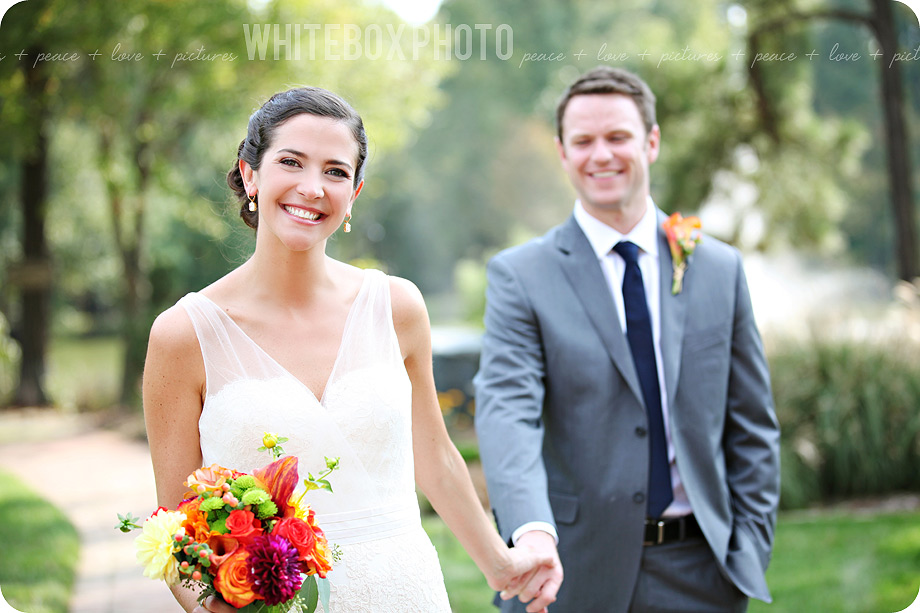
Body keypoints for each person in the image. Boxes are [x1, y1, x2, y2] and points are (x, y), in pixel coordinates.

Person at [143, 86, 552, 613]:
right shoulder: (184, 334)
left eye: (335, 171)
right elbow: (176, 524)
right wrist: (214, 605)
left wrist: (503, 566)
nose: (312, 188)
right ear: (250, 174)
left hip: (408, 591)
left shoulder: (396, 307)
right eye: (291, 162)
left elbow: (435, 458)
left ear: (354, 194)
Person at [474, 66, 780, 612]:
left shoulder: (719, 268)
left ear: (652, 142)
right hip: (571, 572)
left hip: (705, 575)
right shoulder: (521, 275)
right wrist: (532, 531)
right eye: (583, 141)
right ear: (562, 153)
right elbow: (507, 412)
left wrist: (749, 547)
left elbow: (752, 423)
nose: (602, 155)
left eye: (617, 137)